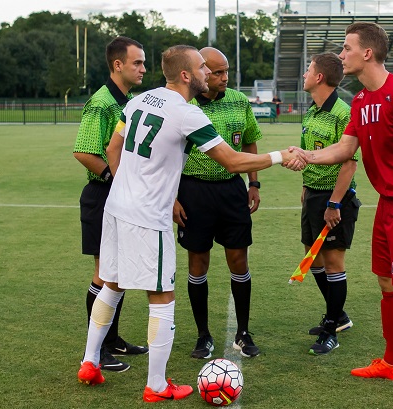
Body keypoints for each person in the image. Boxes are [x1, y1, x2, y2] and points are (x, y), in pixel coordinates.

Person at [76, 44, 305, 402]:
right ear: (186, 75)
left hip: (117, 207)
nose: (206, 73)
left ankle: (89, 361)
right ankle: (156, 385)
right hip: (149, 215)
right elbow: (231, 161)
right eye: (201, 68)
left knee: (112, 281)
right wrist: (280, 155)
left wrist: (128, 184)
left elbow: (112, 148)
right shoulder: (187, 114)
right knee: (162, 297)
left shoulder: (139, 100)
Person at [288, 22, 393, 404]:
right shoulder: (361, 101)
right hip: (389, 205)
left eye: (346, 48)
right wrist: (307, 155)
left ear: (367, 53)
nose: (341, 55)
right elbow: (345, 149)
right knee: (387, 285)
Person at [173, 47, 263, 360]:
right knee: (198, 263)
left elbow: (250, 140)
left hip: (232, 191)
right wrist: (173, 197)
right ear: (201, 72)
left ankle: (243, 332)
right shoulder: (184, 105)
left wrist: (253, 183)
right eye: (218, 72)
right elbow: (167, 154)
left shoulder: (239, 100)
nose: (225, 78)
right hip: (193, 192)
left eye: (227, 71)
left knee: (239, 260)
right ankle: (203, 335)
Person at [73, 36, 148, 373]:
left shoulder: (128, 101)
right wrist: (113, 177)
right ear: (118, 65)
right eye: (137, 63)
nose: (143, 68)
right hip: (103, 196)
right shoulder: (102, 102)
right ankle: (98, 349)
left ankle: (113, 339)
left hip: (122, 197)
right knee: (104, 274)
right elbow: (84, 150)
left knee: (118, 273)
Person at [300, 52, 360, 355]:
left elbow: (349, 163)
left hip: (334, 199)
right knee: (313, 259)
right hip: (313, 195)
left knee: (334, 262)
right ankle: (338, 315)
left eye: (308, 70)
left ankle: (332, 327)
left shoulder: (343, 113)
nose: (305, 75)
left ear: (319, 77)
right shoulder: (311, 112)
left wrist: (334, 203)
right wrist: (305, 189)